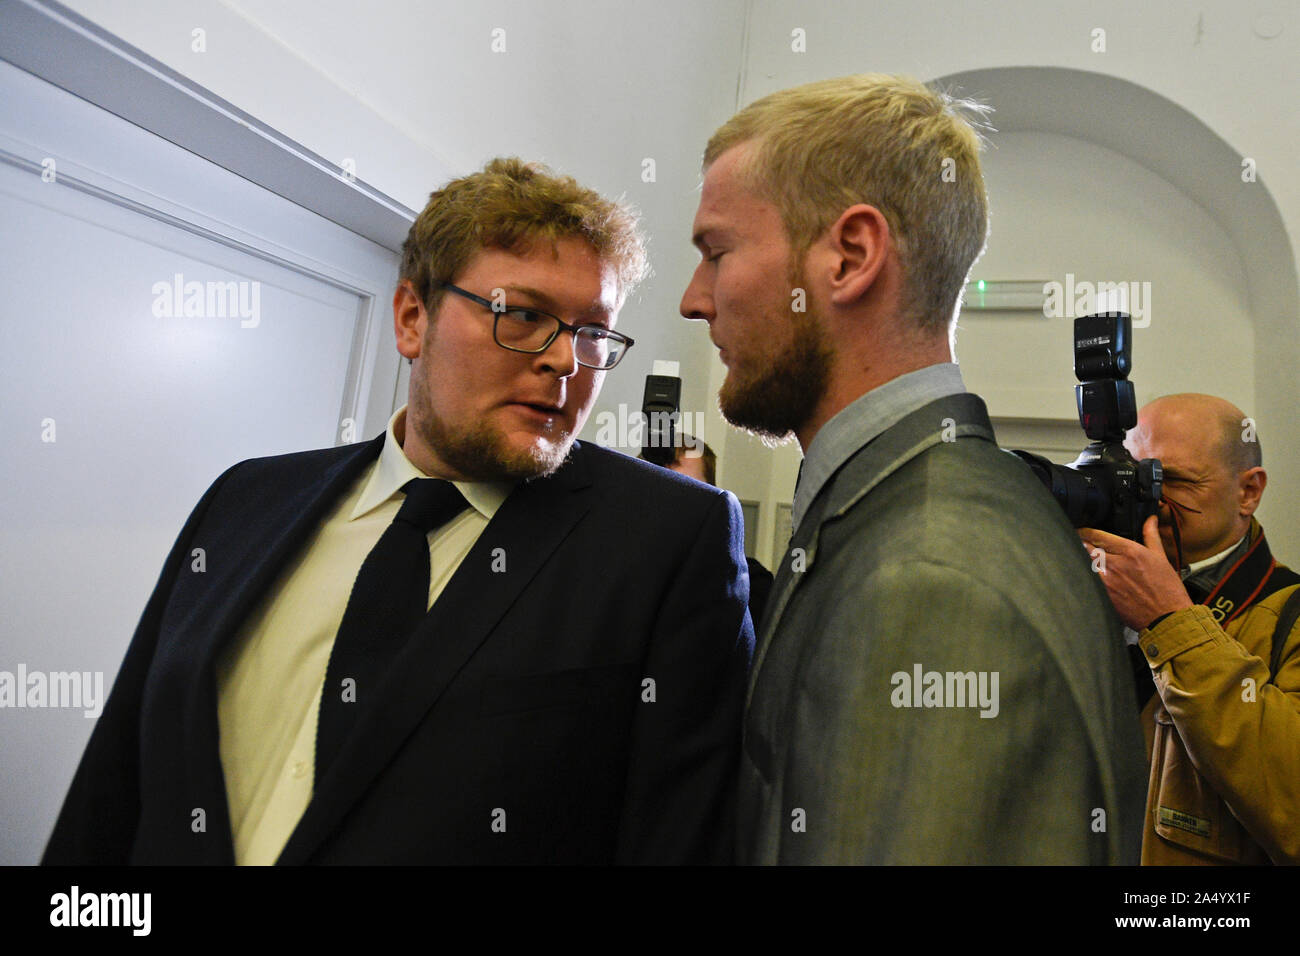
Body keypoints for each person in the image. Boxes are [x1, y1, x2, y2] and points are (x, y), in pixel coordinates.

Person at [43, 157, 753, 865]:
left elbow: (676, 839)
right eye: (525, 315)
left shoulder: (664, 540)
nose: (565, 361)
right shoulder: (245, 501)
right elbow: (114, 785)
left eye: (592, 333)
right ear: (413, 318)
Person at [681, 73, 1146, 864]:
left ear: (851, 256)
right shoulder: (886, 506)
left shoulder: (932, 580)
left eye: (717, 253)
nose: (695, 299)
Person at [1079, 393, 1300, 865]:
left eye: (1169, 479)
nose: (1147, 497)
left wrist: (1170, 622)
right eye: (1135, 477)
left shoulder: (1290, 620)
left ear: (1249, 492)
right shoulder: (1092, 589)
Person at [640, 435, 775, 622]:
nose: (675, 509)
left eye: (690, 493)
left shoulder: (749, 586)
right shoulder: (612, 578)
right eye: (661, 494)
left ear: (714, 501)